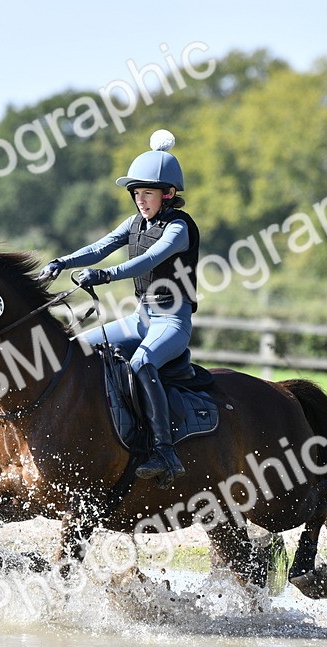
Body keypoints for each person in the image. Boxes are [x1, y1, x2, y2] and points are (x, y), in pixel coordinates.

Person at [37, 130, 200, 488]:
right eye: (137, 194)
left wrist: (105, 275)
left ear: (168, 194)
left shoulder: (179, 228)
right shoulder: (134, 223)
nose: (141, 201)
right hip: (141, 318)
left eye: (148, 194)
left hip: (172, 322)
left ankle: (164, 451)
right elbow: (100, 246)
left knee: (142, 362)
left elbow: (148, 260)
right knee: (77, 347)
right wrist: (61, 262)